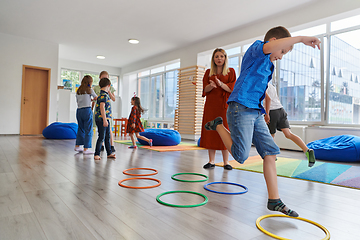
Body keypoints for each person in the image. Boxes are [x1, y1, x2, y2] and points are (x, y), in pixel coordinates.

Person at [205, 26, 321, 217]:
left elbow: (263, 92)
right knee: (241, 156)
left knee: (270, 152)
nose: (282, 56)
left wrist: (265, 112)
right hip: (240, 107)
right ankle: (218, 124)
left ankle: (274, 200)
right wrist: (299, 39)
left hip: (256, 111)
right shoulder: (256, 50)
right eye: (282, 51)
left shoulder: (269, 64)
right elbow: (270, 47)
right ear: (273, 41)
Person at [200, 48, 236, 170]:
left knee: (225, 130)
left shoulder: (231, 72)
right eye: (216, 56)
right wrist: (211, 85)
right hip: (211, 106)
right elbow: (205, 90)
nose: (219, 58)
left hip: (224, 106)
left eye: (221, 56)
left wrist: (221, 84)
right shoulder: (208, 72)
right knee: (211, 131)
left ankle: (226, 162)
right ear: (213, 59)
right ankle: (211, 161)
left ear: (225, 58)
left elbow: (232, 88)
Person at [264, 82, 316, 167]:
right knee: (288, 134)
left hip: (272, 111)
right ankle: (307, 150)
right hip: (281, 110)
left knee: (271, 136)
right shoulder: (271, 85)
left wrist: (267, 114)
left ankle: (273, 156)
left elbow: (268, 99)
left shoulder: (262, 84)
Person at [93, 71, 116, 153]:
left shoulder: (106, 92)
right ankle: (98, 152)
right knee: (102, 135)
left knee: (107, 134)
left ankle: (110, 149)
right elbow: (101, 106)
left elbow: (113, 99)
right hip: (102, 116)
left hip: (106, 115)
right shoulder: (101, 93)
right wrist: (104, 119)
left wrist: (109, 91)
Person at [74, 75, 98, 154]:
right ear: (89, 83)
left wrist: (89, 100)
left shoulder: (79, 90)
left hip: (79, 110)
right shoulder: (90, 90)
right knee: (88, 129)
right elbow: (96, 97)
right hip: (87, 110)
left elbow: (79, 101)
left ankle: (77, 146)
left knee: (80, 128)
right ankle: (86, 149)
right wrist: (94, 98)